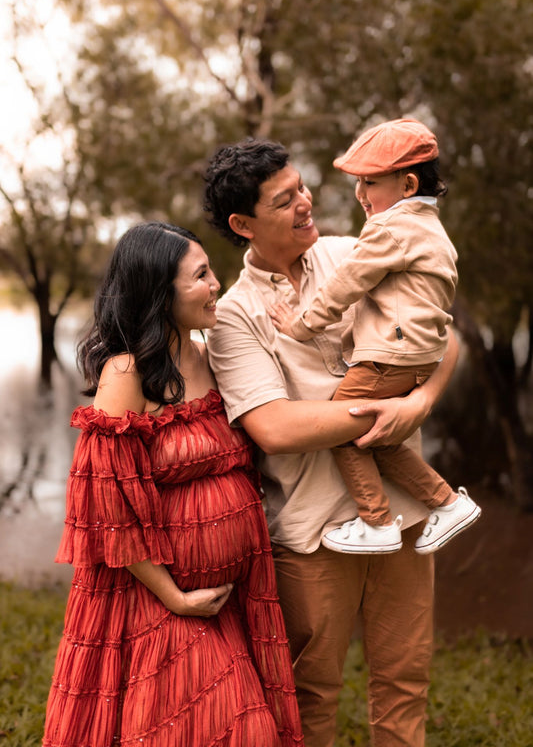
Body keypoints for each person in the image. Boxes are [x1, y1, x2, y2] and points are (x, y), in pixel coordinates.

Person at [204, 137, 460, 747]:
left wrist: (419, 403)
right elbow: (274, 428)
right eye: (284, 199)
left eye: (302, 187)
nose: (305, 203)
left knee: (404, 684)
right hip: (313, 532)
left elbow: (441, 338)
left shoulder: (355, 251)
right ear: (243, 225)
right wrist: (383, 412)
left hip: (404, 517)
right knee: (309, 696)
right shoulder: (235, 315)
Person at [42, 222, 304, 747]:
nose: (216, 284)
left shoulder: (210, 356)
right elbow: (109, 511)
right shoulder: (126, 375)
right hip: (161, 601)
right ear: (161, 293)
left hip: (231, 598)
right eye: (201, 275)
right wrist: (176, 598)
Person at [269, 117, 481, 556]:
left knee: (341, 426)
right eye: (358, 181)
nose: (359, 193)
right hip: (419, 356)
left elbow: (345, 284)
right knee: (376, 435)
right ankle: (446, 503)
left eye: (369, 182)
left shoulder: (390, 229)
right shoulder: (430, 226)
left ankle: (377, 521)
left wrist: (300, 325)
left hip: (391, 355)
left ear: (407, 185)